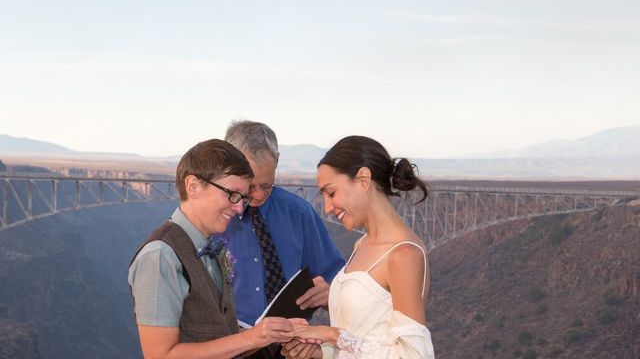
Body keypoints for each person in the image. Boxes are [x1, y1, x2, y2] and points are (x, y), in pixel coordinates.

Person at [128, 139, 300, 359]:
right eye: (232, 194)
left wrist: (271, 334)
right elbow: (160, 356)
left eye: (243, 198)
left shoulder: (212, 247)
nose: (239, 208)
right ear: (193, 187)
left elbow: (219, 336)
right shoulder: (161, 256)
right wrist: (250, 338)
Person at [282, 135, 435, 359]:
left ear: (363, 179)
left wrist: (332, 335)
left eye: (331, 193)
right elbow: (364, 337)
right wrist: (320, 351)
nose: (327, 208)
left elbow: (413, 355)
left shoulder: (404, 254)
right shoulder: (362, 244)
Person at [222, 121, 345, 336]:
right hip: (226, 343)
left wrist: (331, 293)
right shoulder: (213, 215)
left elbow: (336, 280)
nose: (258, 195)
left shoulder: (299, 213)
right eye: (250, 187)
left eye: (266, 185)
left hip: (292, 343)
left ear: (276, 161)